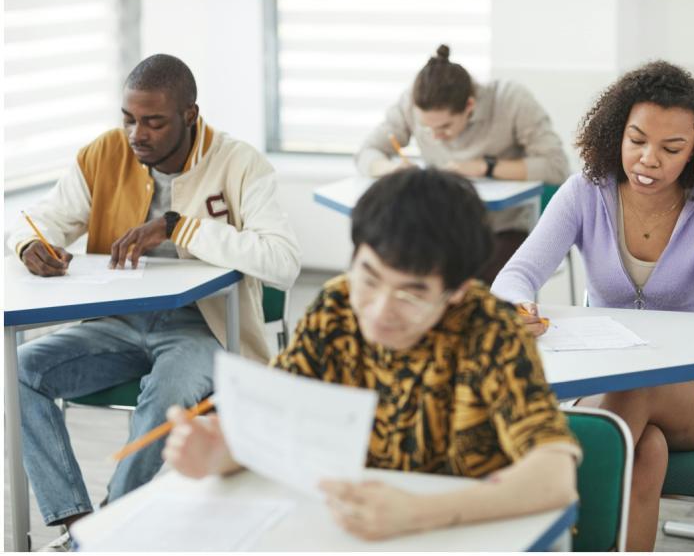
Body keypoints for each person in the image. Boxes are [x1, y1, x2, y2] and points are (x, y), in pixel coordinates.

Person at [163, 167, 581, 541]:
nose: (380, 311)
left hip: (466, 537)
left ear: (456, 291)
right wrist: (221, 452)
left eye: (411, 294)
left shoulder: (491, 330)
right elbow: (273, 425)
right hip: (353, 531)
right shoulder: (336, 308)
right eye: (369, 278)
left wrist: (418, 513)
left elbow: (555, 476)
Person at [7, 54, 302, 545]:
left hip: (204, 328)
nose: (136, 134)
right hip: (119, 323)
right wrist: (28, 245)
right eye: (128, 119)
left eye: (153, 122)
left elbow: (283, 261)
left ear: (190, 115)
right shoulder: (104, 154)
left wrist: (177, 227)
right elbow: (37, 221)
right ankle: (80, 526)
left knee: (166, 397)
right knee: (17, 371)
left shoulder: (239, 162)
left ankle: (112, 532)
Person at [491, 61, 694, 551]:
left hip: (693, 389)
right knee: (645, 451)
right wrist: (518, 306)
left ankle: (539, 497)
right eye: (636, 140)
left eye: (671, 148)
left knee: (634, 389)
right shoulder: (585, 193)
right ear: (617, 133)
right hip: (601, 380)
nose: (648, 159)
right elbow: (515, 276)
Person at [354, 44, 569, 284]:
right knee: (400, 269)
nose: (435, 136)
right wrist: (392, 170)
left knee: (478, 287)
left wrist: (486, 167)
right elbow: (366, 153)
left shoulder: (510, 100)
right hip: (440, 226)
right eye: (426, 127)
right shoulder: (411, 103)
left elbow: (556, 167)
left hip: (501, 227)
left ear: (469, 106)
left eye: (445, 126)